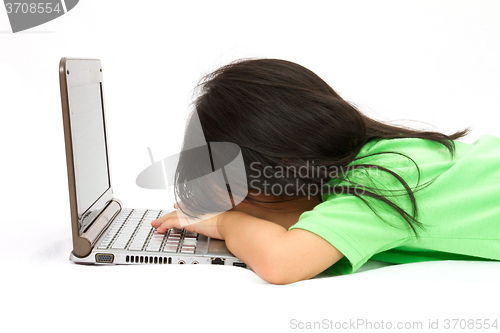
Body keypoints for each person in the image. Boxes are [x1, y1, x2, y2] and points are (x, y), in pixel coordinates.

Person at [151, 58, 500, 284]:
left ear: (287, 170)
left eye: (236, 202)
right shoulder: (383, 157)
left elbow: (281, 262)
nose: (233, 214)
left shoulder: (378, 182)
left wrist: (226, 225)